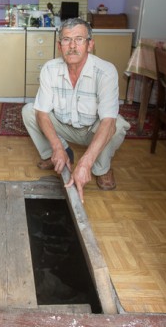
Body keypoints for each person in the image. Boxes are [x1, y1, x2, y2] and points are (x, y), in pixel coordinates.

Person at [22, 18, 130, 202]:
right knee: (29, 110)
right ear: (59, 45)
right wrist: (57, 147)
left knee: (118, 124)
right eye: (66, 39)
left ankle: (101, 168)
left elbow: (108, 121)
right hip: (63, 126)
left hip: (91, 130)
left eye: (79, 39)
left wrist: (84, 164)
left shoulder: (105, 71)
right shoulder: (50, 69)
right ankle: (58, 153)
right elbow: (42, 113)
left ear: (90, 44)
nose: (72, 46)